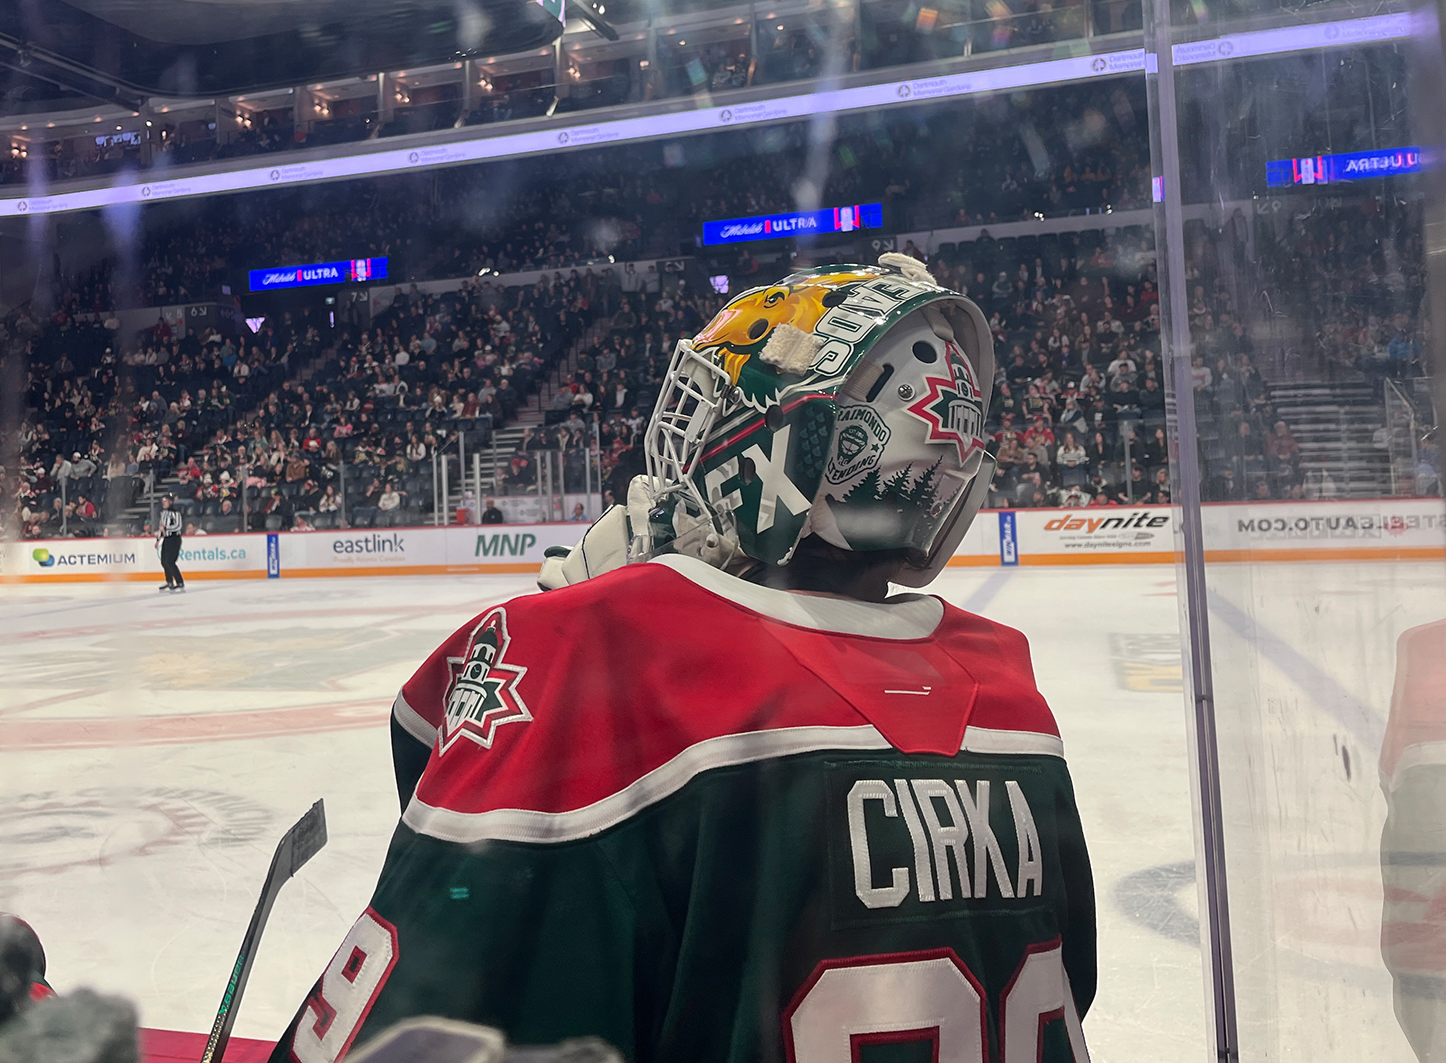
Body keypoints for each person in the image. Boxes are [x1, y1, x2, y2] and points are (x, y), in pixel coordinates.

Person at [273, 259, 1094, 1062]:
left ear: (799, 442)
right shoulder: (1011, 694)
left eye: (723, 409)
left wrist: (566, 616)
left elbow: (442, 986)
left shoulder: (607, 648)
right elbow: (1070, 982)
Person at [156, 495, 185, 592]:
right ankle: (169, 581)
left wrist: (166, 529)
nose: (163, 503)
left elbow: (178, 526)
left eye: (166, 501)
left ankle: (179, 582)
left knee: (170, 561)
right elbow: (161, 527)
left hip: (174, 538)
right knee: (164, 561)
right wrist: (158, 539)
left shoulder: (176, 513)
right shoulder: (163, 513)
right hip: (167, 539)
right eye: (163, 501)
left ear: (171, 502)